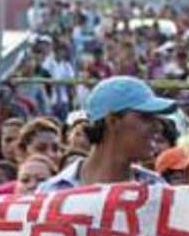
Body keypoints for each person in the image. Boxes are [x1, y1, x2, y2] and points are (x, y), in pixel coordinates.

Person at [38, 76, 175, 192]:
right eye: (146, 117)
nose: (158, 127)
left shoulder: (157, 191)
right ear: (113, 120)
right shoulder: (52, 192)